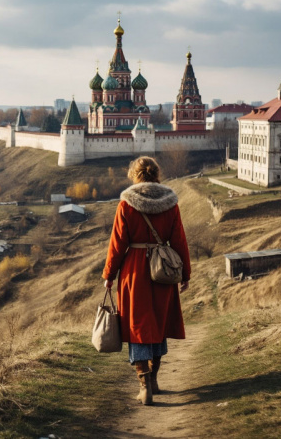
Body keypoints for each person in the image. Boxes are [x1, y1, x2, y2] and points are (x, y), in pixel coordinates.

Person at [102, 156, 191, 406]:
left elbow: (117, 245)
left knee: (138, 327)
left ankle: (144, 385)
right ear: (156, 174)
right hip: (162, 270)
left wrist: (109, 275)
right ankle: (154, 381)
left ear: (135, 175)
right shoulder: (170, 204)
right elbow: (180, 241)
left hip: (134, 272)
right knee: (158, 325)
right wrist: (185, 274)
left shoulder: (126, 205)